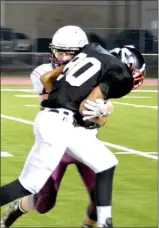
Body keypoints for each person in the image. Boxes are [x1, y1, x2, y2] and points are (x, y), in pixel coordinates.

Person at [0, 26, 145, 228]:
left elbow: (99, 118)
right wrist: (94, 108)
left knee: (104, 171)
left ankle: (103, 224)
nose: (62, 56)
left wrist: (101, 113)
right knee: (39, 197)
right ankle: (17, 209)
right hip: (61, 129)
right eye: (59, 51)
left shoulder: (94, 69)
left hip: (79, 136)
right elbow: (55, 96)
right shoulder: (46, 70)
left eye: (69, 53)